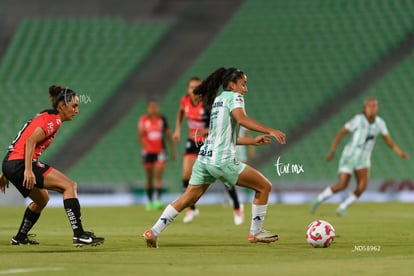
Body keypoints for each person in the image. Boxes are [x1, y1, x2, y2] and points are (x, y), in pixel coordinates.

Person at [143, 67, 286, 248]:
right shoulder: (235, 97)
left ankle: (153, 232)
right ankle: (255, 232)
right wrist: (270, 130)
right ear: (232, 85)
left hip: (204, 159)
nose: (246, 89)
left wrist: (252, 141)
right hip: (222, 161)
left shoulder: (218, 100)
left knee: (188, 198)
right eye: (243, 84)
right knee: (264, 187)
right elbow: (242, 120)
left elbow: (222, 137)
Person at [0, 85, 104, 246]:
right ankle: (79, 234)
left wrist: (7, 171)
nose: (76, 111)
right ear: (62, 106)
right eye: (74, 106)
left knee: (42, 199)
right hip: (20, 163)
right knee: (69, 186)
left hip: (11, 162)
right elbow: (30, 141)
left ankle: (20, 237)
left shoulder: (45, 115)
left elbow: (23, 139)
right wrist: (27, 170)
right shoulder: (53, 120)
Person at [310, 98, 409, 216]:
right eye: (369, 106)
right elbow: (341, 133)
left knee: (362, 187)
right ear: (365, 108)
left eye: (375, 106)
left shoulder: (380, 123)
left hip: (364, 159)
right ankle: (319, 198)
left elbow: (389, 142)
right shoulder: (358, 120)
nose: (372, 108)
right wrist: (332, 151)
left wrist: (401, 153)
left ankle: (342, 207)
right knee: (342, 184)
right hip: (350, 156)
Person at [172, 77, 244, 225]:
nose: (194, 89)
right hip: (193, 141)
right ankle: (191, 207)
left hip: (210, 141)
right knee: (186, 174)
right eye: (191, 87)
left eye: (197, 86)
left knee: (224, 176)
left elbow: (218, 124)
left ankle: (237, 206)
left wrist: (203, 131)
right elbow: (180, 112)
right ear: (187, 89)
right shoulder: (184, 101)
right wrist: (178, 129)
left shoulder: (208, 104)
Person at [138, 100, 177, 211]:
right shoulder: (143, 120)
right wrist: (144, 146)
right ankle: (150, 201)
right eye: (151, 107)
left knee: (158, 176)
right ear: (147, 108)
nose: (153, 109)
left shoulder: (162, 120)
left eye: (155, 107)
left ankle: (158, 200)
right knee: (149, 178)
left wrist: (173, 150)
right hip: (148, 152)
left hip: (160, 151)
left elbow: (169, 136)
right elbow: (140, 135)